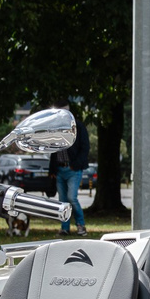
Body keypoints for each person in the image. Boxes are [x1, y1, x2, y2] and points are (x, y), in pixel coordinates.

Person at [54, 101, 89, 235]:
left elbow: (85, 147)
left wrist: (76, 165)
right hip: (60, 169)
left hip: (73, 169)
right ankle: (65, 228)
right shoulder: (56, 128)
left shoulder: (78, 127)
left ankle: (81, 225)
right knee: (62, 201)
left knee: (71, 198)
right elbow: (53, 149)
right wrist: (53, 170)